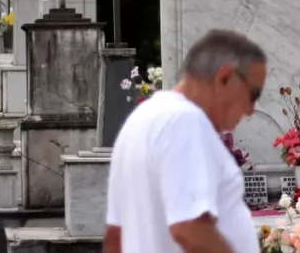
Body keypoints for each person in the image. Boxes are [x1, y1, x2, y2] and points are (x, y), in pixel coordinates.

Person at [104, 29, 267, 253]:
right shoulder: (186, 120)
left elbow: (115, 237)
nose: (250, 110)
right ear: (225, 78)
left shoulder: (140, 119)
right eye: (254, 94)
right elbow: (189, 229)